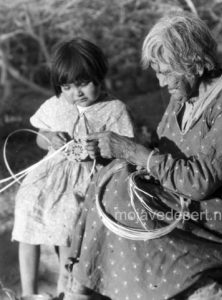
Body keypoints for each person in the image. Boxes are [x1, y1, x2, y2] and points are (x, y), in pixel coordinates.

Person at [66, 11, 222, 300]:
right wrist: (114, 153)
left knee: (122, 200)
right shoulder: (182, 98)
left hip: (218, 221)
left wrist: (134, 152)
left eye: (166, 71)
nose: (160, 82)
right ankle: (81, 288)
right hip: (185, 204)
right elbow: (161, 155)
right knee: (112, 179)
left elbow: (200, 182)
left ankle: (204, 290)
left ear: (193, 63)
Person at [11, 38, 134, 298]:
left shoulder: (113, 109)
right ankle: (28, 292)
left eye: (82, 84)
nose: (75, 93)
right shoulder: (56, 105)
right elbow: (39, 136)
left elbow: (126, 149)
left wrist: (99, 152)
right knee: (27, 208)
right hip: (48, 176)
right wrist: (50, 138)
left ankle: (65, 290)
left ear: (99, 77)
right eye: (66, 87)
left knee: (70, 222)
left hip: (85, 180)